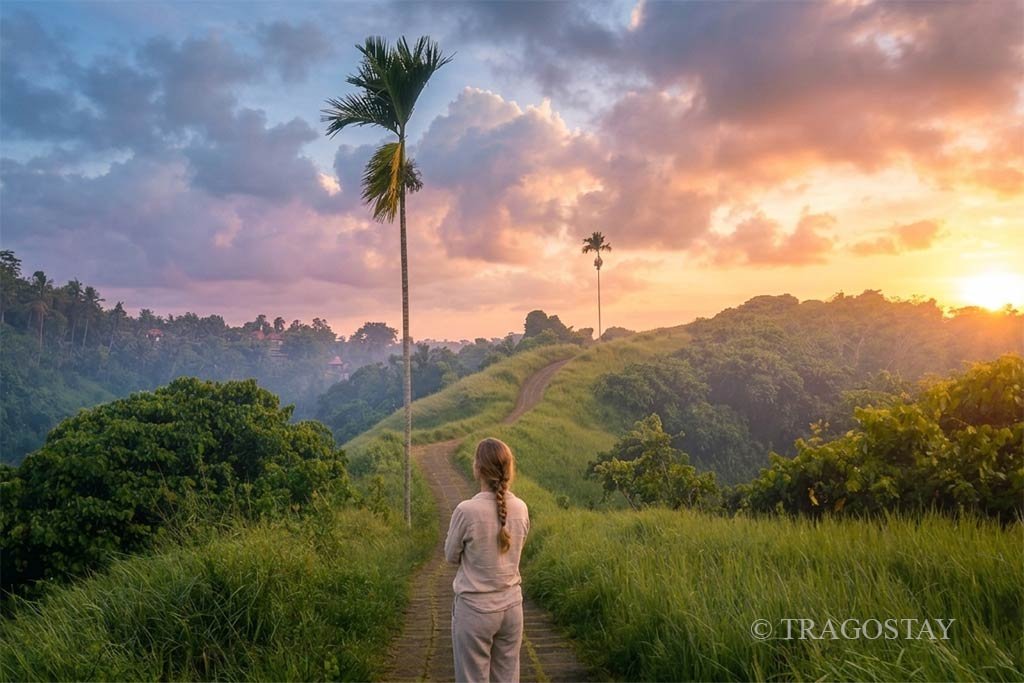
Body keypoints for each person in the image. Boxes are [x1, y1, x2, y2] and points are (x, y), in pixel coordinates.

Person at [444, 437, 530, 683]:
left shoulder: (466, 511)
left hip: (474, 610)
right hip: (512, 608)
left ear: (478, 468)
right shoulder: (522, 508)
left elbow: (450, 556)